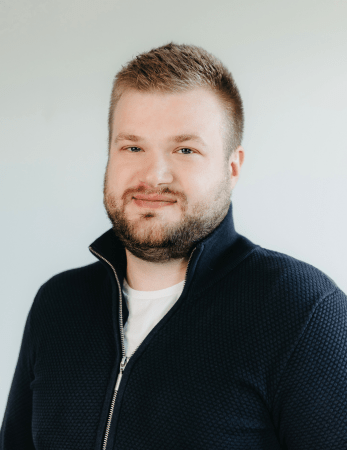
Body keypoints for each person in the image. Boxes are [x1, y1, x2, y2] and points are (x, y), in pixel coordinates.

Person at [1, 43, 346, 450]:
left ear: (231, 168)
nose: (154, 175)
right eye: (133, 147)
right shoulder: (57, 305)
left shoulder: (302, 311)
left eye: (185, 150)